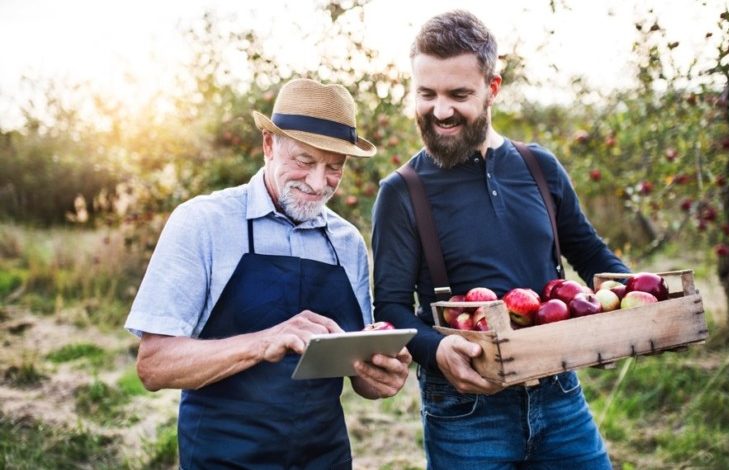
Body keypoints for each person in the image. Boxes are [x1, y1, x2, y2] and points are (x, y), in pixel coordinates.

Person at [371, 10, 630, 469]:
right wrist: (436, 350)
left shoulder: (539, 167)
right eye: (426, 94)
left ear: (492, 88)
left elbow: (590, 254)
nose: (441, 110)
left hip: (560, 395)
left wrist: (631, 305)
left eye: (459, 94)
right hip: (466, 411)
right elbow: (390, 306)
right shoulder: (402, 192)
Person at [125, 77, 412, 469]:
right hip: (224, 458)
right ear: (268, 146)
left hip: (325, 458)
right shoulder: (203, 223)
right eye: (304, 161)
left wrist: (381, 376)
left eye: (334, 167)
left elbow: (358, 372)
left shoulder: (347, 243)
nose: (317, 183)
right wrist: (265, 342)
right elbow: (154, 365)